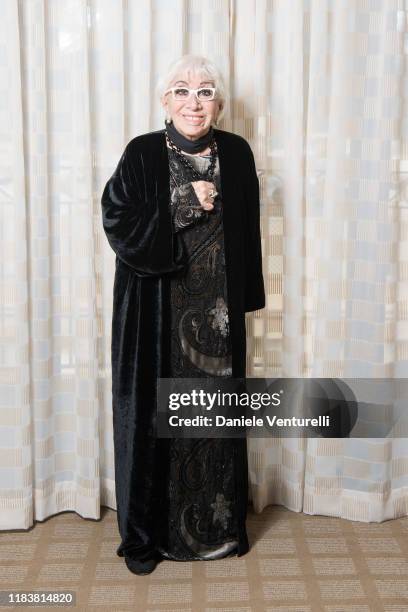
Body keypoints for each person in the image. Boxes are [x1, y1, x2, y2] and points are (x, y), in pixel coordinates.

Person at [101, 55, 265, 575]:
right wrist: (182, 204)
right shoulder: (143, 153)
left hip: (215, 318)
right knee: (153, 422)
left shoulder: (237, 153)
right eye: (182, 90)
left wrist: (244, 303)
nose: (194, 102)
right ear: (164, 101)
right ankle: (147, 537)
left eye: (206, 91)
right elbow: (118, 221)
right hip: (155, 315)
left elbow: (248, 232)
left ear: (218, 101)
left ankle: (215, 529)